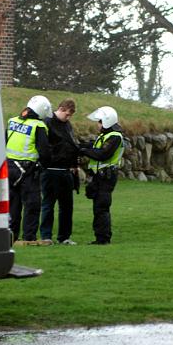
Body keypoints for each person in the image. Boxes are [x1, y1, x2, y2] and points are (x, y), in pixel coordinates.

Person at [6, 95, 52, 245]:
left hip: (9, 168)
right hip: (28, 171)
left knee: (13, 205)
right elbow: (44, 152)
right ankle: (29, 237)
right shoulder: (38, 126)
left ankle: (11, 237)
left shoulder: (12, 121)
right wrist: (44, 165)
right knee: (32, 204)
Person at [79, 106, 124, 245]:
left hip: (106, 177)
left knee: (102, 207)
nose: (97, 124)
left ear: (106, 121)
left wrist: (84, 151)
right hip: (100, 176)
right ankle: (100, 237)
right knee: (98, 207)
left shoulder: (115, 137)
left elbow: (103, 154)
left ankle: (103, 238)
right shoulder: (105, 136)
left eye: (99, 121)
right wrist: (82, 147)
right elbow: (95, 147)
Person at [39, 99, 80, 245]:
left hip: (66, 171)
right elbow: (43, 146)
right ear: (61, 109)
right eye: (67, 115)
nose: (68, 118)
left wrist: (74, 165)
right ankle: (46, 236)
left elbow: (71, 145)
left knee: (67, 206)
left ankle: (64, 237)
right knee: (48, 204)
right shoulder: (47, 122)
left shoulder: (67, 125)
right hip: (50, 170)